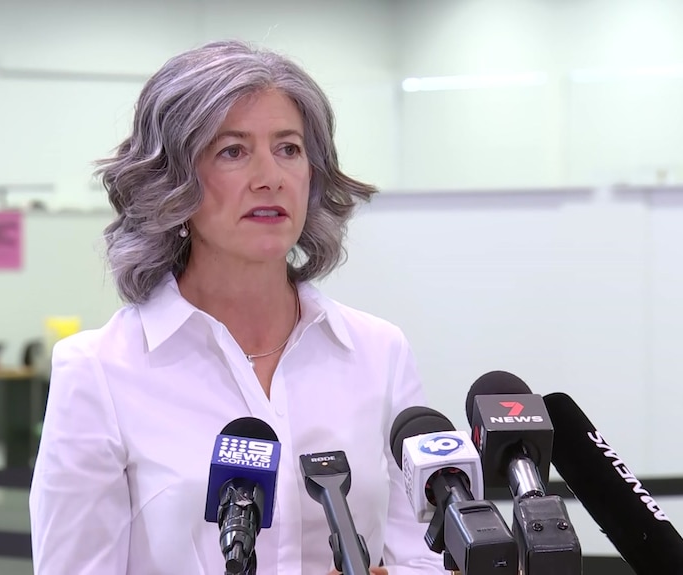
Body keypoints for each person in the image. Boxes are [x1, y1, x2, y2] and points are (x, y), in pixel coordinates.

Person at [29, 39, 446, 575]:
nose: (270, 175)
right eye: (233, 150)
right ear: (173, 179)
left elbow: (422, 555)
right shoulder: (99, 371)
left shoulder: (378, 351)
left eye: (289, 148)